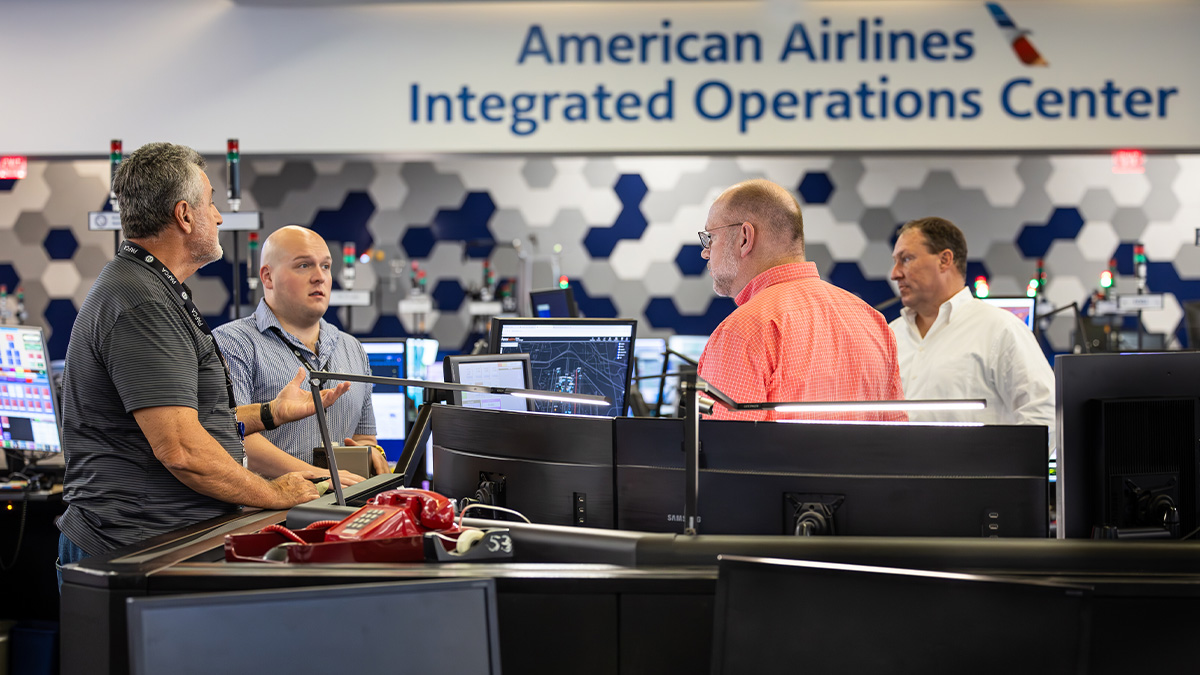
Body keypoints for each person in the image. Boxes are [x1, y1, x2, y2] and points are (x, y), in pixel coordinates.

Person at [57, 143, 348, 580]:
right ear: (184, 215)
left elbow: (183, 420)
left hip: (149, 541)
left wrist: (269, 414)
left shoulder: (148, 288)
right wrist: (274, 492)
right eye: (210, 203)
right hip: (133, 550)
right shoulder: (143, 304)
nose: (218, 216)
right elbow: (182, 449)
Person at [696, 179, 905, 421]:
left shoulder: (743, 332)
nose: (705, 252)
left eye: (710, 237)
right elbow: (897, 436)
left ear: (744, 238)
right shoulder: (873, 321)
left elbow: (721, 451)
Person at [214, 226, 387, 476]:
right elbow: (232, 436)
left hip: (345, 506)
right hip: (270, 510)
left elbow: (363, 437)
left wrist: (371, 452)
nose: (320, 277)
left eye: (325, 266)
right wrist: (321, 478)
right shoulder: (233, 343)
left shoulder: (352, 348)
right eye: (304, 265)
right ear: (268, 277)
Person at [888, 217, 1056, 454]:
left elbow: (1044, 411)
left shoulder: (999, 329)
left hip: (977, 487)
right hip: (897, 485)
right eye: (895, 262)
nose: (895, 274)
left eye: (906, 259)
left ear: (945, 260)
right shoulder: (889, 336)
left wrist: (1007, 478)